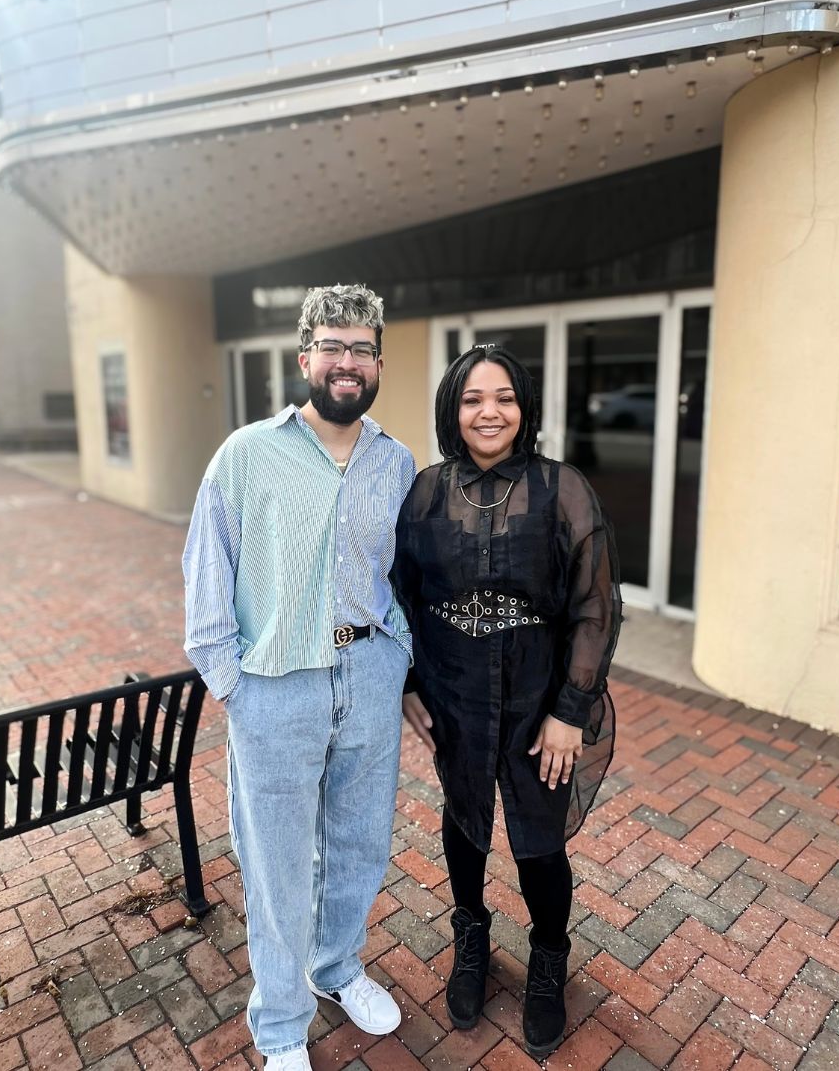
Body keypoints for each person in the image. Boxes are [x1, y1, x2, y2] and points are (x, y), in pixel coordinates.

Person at [183, 284, 415, 1071]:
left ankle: (336, 968)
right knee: (275, 864)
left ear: (378, 362)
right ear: (305, 357)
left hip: (370, 674)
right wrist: (232, 686)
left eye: (362, 349)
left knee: (359, 842)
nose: (348, 362)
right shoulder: (246, 454)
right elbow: (207, 574)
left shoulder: (396, 461)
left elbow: (402, 571)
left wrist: (399, 652)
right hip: (276, 686)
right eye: (333, 346)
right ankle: (281, 1024)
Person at [394, 344, 622, 1059]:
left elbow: (595, 607)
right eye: (471, 399)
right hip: (455, 695)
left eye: (503, 398)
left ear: (524, 408)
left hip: (538, 702)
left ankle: (549, 957)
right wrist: (408, 683)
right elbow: (401, 594)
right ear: (452, 411)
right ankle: (471, 937)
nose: (488, 412)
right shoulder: (427, 492)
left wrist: (570, 711)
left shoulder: (562, 488)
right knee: (464, 823)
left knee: (539, 844)